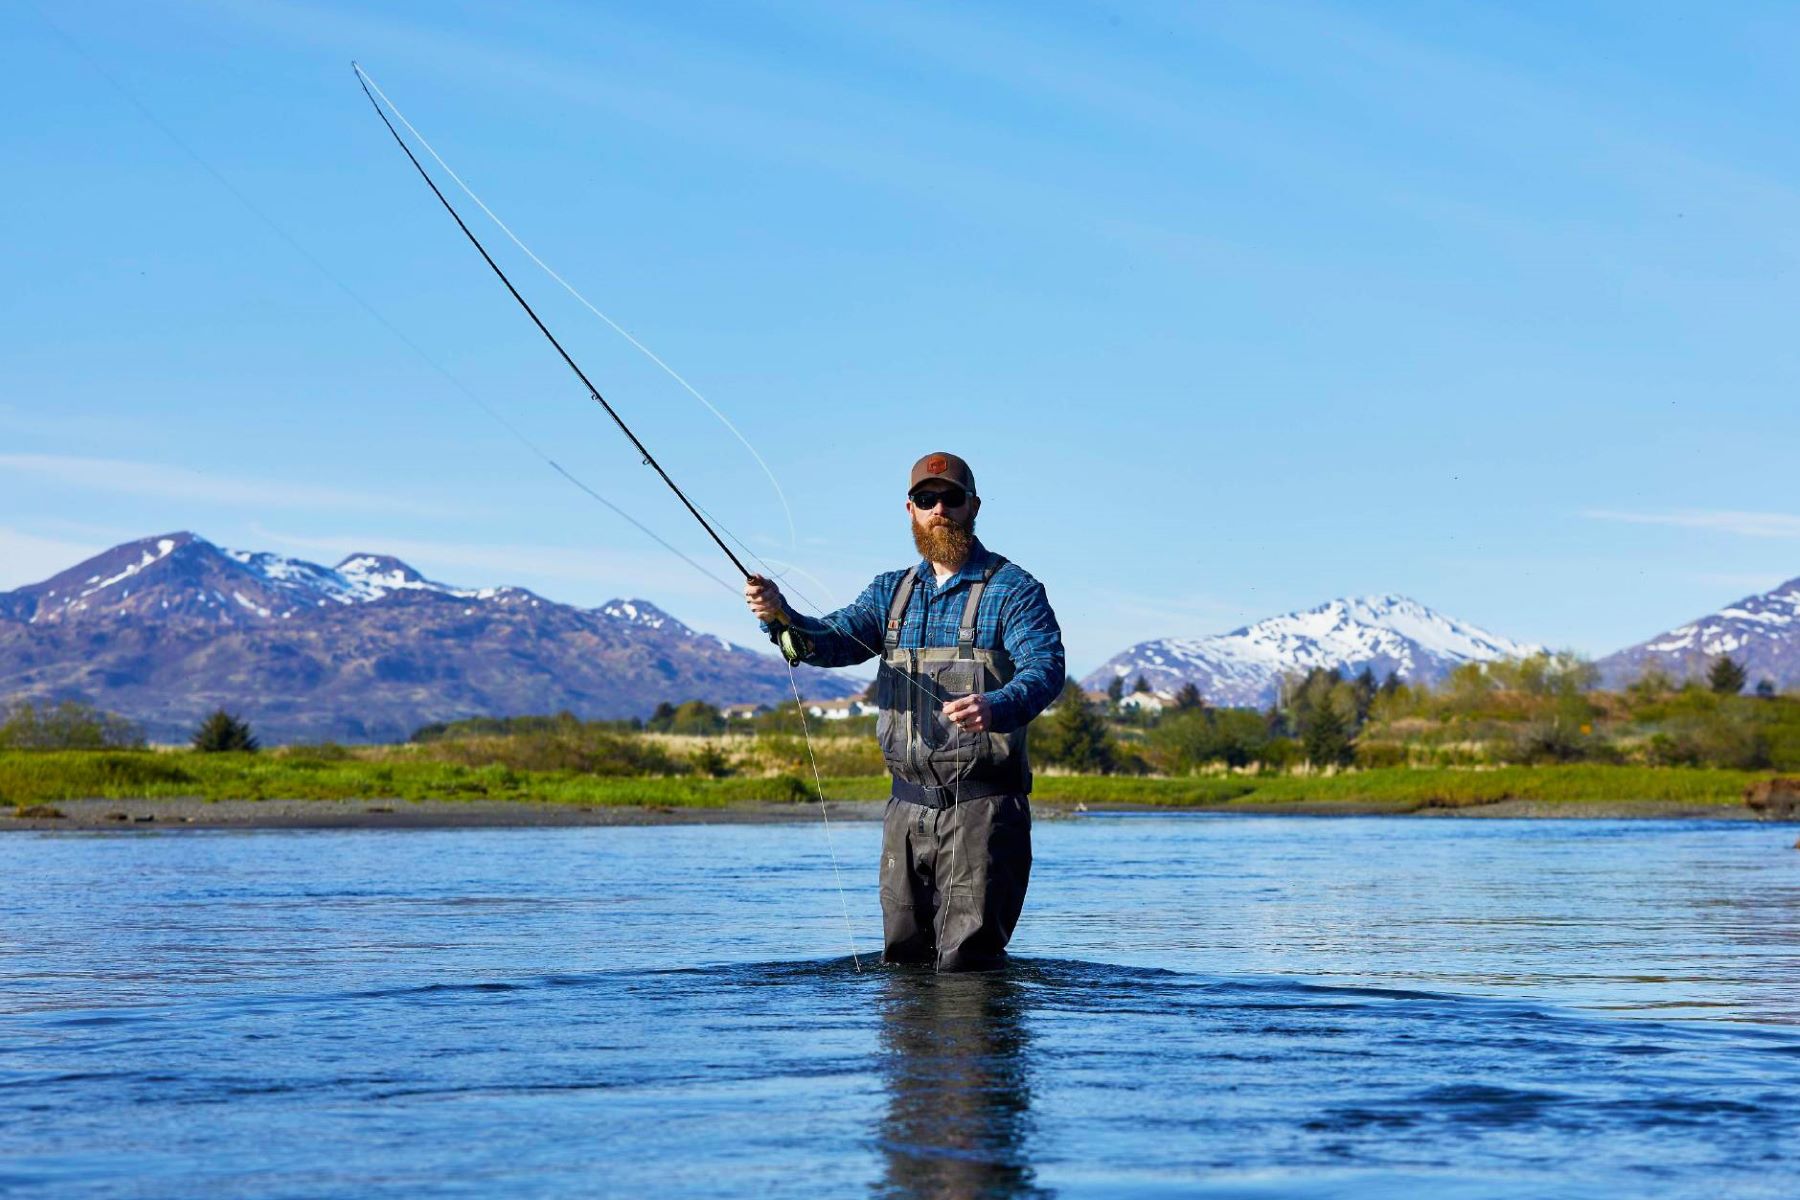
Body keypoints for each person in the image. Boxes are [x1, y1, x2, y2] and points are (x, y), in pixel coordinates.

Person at [745, 451, 1065, 971]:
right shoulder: (889, 593)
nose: (939, 508)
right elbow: (827, 644)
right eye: (926, 499)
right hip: (905, 811)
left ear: (973, 506)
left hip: (983, 809)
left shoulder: (1014, 590)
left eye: (951, 498)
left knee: (968, 970)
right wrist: (781, 614)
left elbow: (1046, 670)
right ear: (910, 509)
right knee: (901, 966)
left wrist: (997, 704)